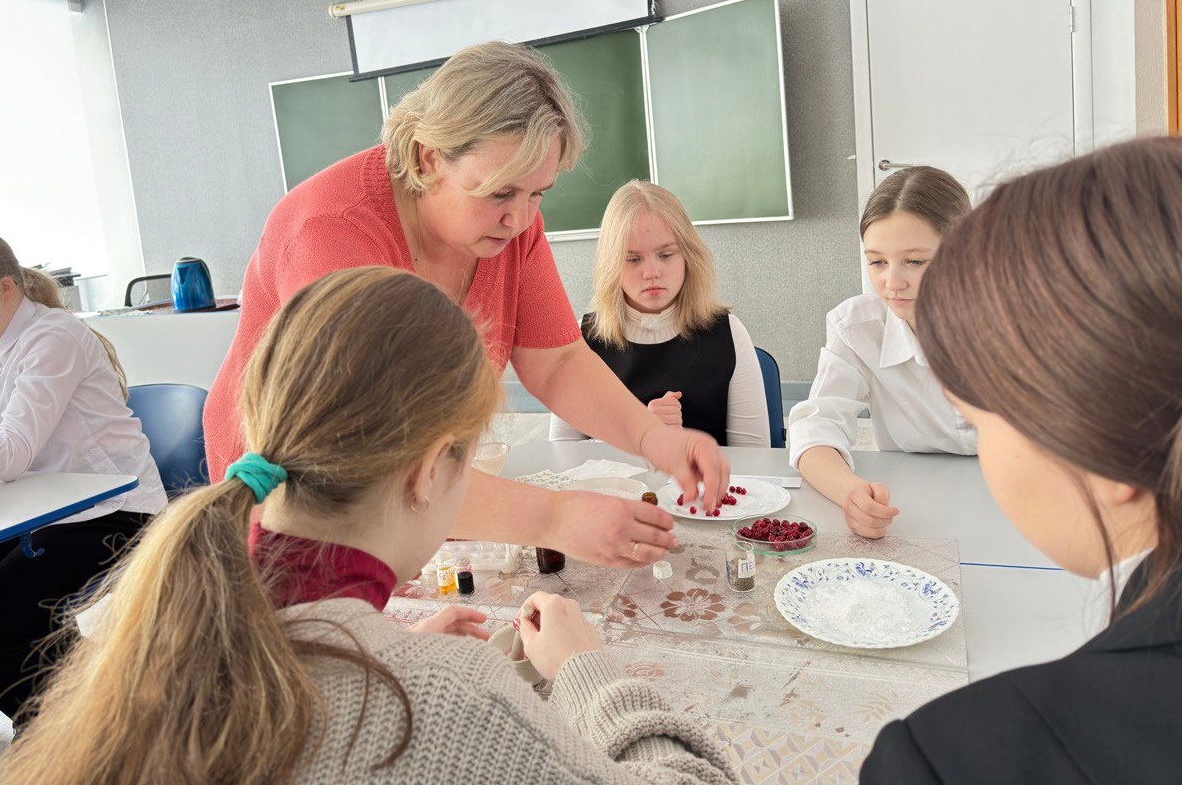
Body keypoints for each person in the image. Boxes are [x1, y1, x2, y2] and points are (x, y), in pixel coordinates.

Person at [0, 267, 735, 785]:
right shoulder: (444, 701)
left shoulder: (139, 624)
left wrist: (381, 651)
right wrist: (585, 671)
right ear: (430, 469)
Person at [204, 42, 729, 569]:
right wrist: (555, 519)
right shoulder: (332, 234)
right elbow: (386, 461)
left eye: (538, 194)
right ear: (429, 159)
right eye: (500, 194)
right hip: (293, 506)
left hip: (407, 503)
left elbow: (558, 361)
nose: (520, 219)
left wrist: (650, 437)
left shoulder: (511, 230)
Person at [860, 137, 1182, 783]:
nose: (893, 280)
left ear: (1100, 461)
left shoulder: (956, 758)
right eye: (876, 262)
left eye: (981, 421)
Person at [0, 229, 166, 749]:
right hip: (41, 512)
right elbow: (5, 462)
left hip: (113, 514)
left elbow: (10, 454)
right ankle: (41, 711)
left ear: (5, 287)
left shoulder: (55, 337)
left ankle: (77, 725)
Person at [787, 167, 976, 539]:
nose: (892, 283)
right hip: (918, 509)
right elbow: (815, 428)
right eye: (877, 262)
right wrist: (850, 493)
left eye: (915, 262)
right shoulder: (855, 326)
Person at [550, 180, 770, 447]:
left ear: (688, 256)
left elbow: (756, 457)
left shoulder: (729, 333)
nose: (651, 272)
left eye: (666, 255)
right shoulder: (582, 341)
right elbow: (561, 456)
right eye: (633, 259)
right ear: (611, 264)